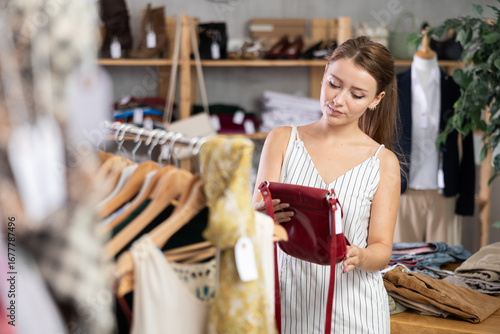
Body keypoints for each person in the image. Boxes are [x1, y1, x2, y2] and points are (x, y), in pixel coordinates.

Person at [252, 36, 401, 334]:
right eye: (334, 84)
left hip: (354, 312)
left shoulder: (383, 162)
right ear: (323, 77)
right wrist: (257, 215)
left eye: (357, 94)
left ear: (376, 100)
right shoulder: (281, 140)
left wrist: (361, 255)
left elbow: (382, 249)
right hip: (285, 302)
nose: (338, 100)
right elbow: (254, 218)